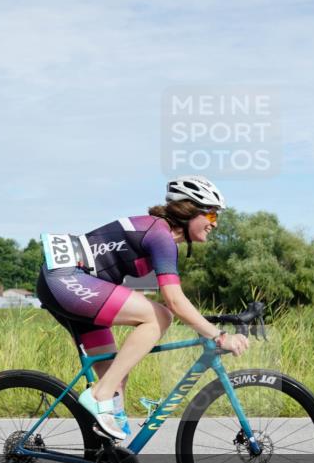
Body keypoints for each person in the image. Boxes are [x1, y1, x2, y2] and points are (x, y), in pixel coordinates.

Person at [36, 175, 250, 440]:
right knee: (160, 317)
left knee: (116, 377)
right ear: (191, 211)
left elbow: (174, 299)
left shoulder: (158, 232)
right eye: (212, 217)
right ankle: (97, 395)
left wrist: (204, 323)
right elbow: (173, 301)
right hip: (66, 280)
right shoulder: (160, 236)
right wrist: (218, 336)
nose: (214, 225)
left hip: (74, 282)